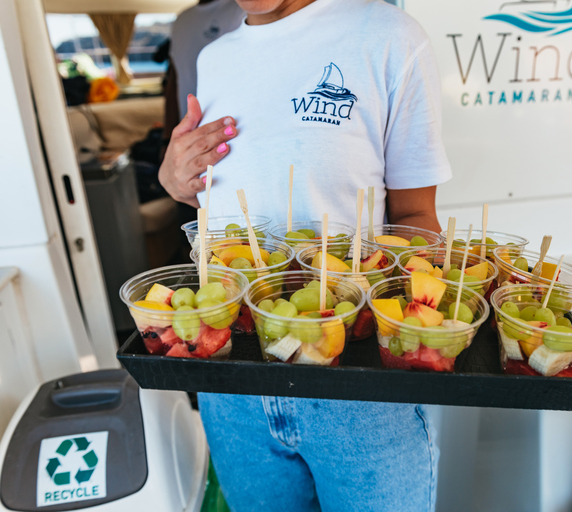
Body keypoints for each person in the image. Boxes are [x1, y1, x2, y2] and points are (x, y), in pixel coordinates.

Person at [158, 0, 451, 510]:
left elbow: (416, 216)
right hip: (233, 383)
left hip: (358, 387)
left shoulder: (390, 36)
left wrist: (423, 315)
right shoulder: (215, 58)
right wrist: (175, 181)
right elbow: (219, 203)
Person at [163, 0, 246, 137]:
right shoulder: (182, 20)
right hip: (188, 136)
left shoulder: (241, 10)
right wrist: (167, 138)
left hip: (229, 133)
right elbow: (174, 79)